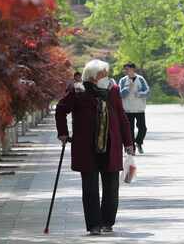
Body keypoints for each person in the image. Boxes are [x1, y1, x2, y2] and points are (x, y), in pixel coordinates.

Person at [55, 59, 134, 236]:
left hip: (111, 145)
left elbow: (122, 117)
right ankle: (94, 225)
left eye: (106, 73)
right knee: (90, 189)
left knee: (112, 188)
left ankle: (107, 222)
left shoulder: (113, 90)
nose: (106, 76)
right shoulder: (78, 90)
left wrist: (129, 142)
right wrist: (63, 132)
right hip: (86, 147)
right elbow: (61, 109)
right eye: (102, 74)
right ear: (92, 77)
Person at [119, 62, 150, 154]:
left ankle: (139, 142)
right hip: (127, 109)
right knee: (130, 130)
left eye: (127, 69)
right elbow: (120, 94)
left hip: (139, 108)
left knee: (143, 128)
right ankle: (131, 148)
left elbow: (147, 91)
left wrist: (140, 94)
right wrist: (128, 89)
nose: (125, 71)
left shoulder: (140, 79)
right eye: (125, 69)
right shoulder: (123, 80)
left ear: (133, 69)